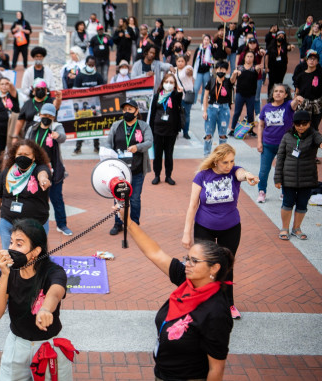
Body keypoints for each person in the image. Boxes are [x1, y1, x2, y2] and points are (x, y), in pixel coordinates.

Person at [124, 205, 234, 380]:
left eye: (194, 261)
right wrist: (127, 221)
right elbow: (155, 252)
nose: (187, 264)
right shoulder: (187, 281)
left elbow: (216, 369)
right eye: (187, 258)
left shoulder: (216, 311)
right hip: (163, 374)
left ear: (214, 268)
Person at [0, 218, 76, 380]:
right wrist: (5, 276)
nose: (11, 249)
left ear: (35, 252)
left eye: (19, 244)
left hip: (48, 346)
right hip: (17, 345)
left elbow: (55, 292)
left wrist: (45, 309)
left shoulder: (54, 272)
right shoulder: (9, 271)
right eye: (11, 243)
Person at [182, 143, 259, 319]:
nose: (229, 165)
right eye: (225, 162)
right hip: (204, 227)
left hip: (231, 228)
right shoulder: (202, 176)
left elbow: (242, 173)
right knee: (202, 265)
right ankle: (200, 302)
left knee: (226, 266)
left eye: (232, 161)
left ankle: (228, 304)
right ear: (216, 161)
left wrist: (248, 176)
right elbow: (193, 205)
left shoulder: (234, 172)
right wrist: (187, 232)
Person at [275, 110, 322, 240]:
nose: (301, 127)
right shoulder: (287, 137)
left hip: (307, 177)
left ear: (309, 123)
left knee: (302, 205)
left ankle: (296, 228)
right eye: (298, 124)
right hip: (288, 178)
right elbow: (280, 158)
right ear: (294, 124)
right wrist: (277, 178)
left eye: (304, 124)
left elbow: (320, 138)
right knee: (287, 203)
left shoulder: (313, 135)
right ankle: (284, 228)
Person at [0, 140, 52, 249]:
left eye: (27, 155)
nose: (22, 157)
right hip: (9, 223)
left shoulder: (39, 169)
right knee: (10, 258)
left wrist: (43, 179)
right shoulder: (7, 173)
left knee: (35, 257)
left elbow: (43, 173)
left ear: (34, 157)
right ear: (14, 155)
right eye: (19, 154)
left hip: (36, 225)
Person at [103, 99, 153, 236]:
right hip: (119, 171)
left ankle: (134, 224)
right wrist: (109, 153)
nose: (127, 112)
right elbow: (108, 144)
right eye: (125, 110)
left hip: (136, 170)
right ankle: (118, 223)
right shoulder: (116, 125)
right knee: (118, 197)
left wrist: (138, 147)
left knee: (135, 198)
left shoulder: (143, 126)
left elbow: (149, 141)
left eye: (130, 110)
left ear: (136, 111)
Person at [25, 104, 73, 236]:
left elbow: (63, 137)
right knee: (35, 199)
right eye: (44, 115)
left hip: (53, 170)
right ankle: (35, 224)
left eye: (50, 116)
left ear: (53, 117)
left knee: (56, 198)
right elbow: (25, 144)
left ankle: (62, 225)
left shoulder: (56, 127)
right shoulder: (32, 129)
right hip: (34, 169)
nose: (46, 118)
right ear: (40, 115)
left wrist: (57, 136)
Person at [256, 85, 301, 203]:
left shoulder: (288, 106)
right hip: (267, 145)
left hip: (285, 146)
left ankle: (284, 193)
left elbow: (295, 102)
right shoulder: (266, 108)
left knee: (285, 170)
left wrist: (297, 99)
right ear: (272, 94)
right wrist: (259, 142)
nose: (278, 93)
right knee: (264, 171)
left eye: (281, 92)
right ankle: (262, 192)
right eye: (276, 91)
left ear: (286, 95)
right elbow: (260, 125)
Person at [293, 50, 322, 133]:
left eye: (314, 59)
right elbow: (297, 90)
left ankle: (313, 144)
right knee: (301, 127)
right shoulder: (301, 75)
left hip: (317, 106)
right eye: (310, 59)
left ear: (317, 62)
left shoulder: (319, 72)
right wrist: (295, 100)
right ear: (307, 60)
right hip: (303, 105)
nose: (312, 61)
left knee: (314, 128)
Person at [150, 74, 183, 186]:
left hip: (171, 130)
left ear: (174, 85)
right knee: (157, 154)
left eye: (171, 82)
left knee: (169, 154)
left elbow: (179, 99)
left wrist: (179, 92)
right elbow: (153, 113)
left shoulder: (174, 96)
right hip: (157, 130)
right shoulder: (157, 96)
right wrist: (150, 129)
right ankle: (157, 175)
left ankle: (168, 176)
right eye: (167, 81)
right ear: (163, 82)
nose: (168, 84)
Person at [202, 61, 238, 156]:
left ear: (226, 70)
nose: (220, 70)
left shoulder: (228, 82)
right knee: (208, 134)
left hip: (224, 109)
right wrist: (204, 111)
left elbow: (233, 79)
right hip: (211, 108)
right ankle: (206, 155)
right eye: (218, 68)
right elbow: (205, 96)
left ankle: (221, 155)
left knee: (222, 134)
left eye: (222, 69)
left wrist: (234, 73)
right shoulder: (211, 81)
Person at [14, 78, 62, 144]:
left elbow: (56, 106)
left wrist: (59, 99)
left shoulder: (51, 101)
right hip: (31, 137)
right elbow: (20, 121)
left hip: (48, 137)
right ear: (33, 91)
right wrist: (15, 136)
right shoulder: (27, 103)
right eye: (37, 89)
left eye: (42, 89)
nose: (40, 90)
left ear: (46, 90)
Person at [0, 78, 20, 180]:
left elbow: (13, 90)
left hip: (11, 130)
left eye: (6, 84)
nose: (4, 86)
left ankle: (15, 172)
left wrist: (10, 85)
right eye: (2, 84)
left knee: (13, 151)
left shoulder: (13, 96)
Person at [73, 56, 104, 155]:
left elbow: (103, 89)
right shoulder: (80, 76)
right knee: (82, 126)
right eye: (89, 65)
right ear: (86, 64)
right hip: (83, 107)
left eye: (92, 65)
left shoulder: (98, 76)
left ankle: (96, 147)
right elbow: (74, 91)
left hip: (95, 105)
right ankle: (78, 148)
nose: (91, 66)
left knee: (96, 126)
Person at [229, 51, 261, 137]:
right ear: (244, 57)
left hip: (251, 94)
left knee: (250, 113)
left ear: (253, 58)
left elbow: (261, 65)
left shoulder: (255, 68)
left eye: (251, 56)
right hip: (240, 94)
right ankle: (232, 129)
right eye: (248, 56)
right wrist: (234, 73)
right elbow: (232, 81)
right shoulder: (239, 68)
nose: (249, 58)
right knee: (237, 112)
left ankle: (250, 130)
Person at [237, 38, 265, 120]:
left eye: (254, 43)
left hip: (257, 78)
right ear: (247, 44)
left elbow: (262, 52)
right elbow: (239, 64)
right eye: (250, 43)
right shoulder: (243, 53)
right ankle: (239, 114)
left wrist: (262, 49)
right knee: (242, 97)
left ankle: (257, 114)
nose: (252, 44)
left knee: (256, 97)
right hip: (245, 79)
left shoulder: (258, 53)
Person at [265, 31, 294, 97]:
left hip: (282, 67)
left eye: (282, 36)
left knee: (279, 82)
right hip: (272, 67)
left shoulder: (285, 45)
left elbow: (289, 47)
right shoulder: (271, 45)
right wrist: (266, 67)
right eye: (279, 36)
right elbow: (267, 56)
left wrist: (291, 46)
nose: (281, 37)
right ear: (276, 36)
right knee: (272, 82)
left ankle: (278, 95)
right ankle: (270, 96)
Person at [174, 54, 194, 140]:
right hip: (177, 95)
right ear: (176, 62)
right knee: (176, 114)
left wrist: (189, 71)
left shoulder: (187, 68)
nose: (180, 63)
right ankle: (177, 131)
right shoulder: (173, 70)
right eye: (179, 61)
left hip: (187, 96)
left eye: (182, 61)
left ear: (185, 62)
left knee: (186, 115)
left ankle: (186, 132)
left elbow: (190, 72)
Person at [193, 35, 214, 106]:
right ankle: (193, 102)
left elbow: (213, 59)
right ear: (203, 40)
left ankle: (203, 102)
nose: (206, 41)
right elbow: (194, 60)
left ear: (209, 41)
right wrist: (193, 68)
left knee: (205, 88)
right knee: (196, 88)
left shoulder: (211, 49)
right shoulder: (199, 49)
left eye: (208, 40)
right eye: (205, 39)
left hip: (207, 71)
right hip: (199, 71)